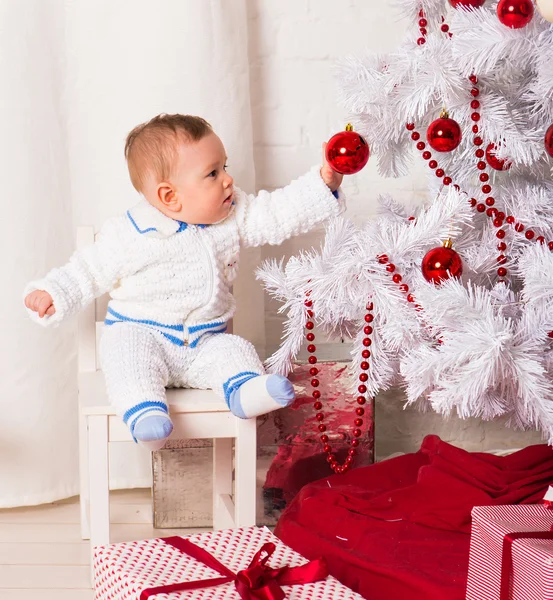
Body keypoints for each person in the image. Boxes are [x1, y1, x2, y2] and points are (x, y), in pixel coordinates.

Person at [24, 114, 344, 450]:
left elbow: (278, 213)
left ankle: (245, 389)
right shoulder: (130, 234)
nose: (228, 179)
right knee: (126, 356)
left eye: (225, 167)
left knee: (235, 349)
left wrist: (324, 184)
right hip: (144, 333)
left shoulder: (234, 215)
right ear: (170, 196)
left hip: (205, 341)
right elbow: (88, 269)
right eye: (212, 173)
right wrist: (54, 291)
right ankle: (144, 413)